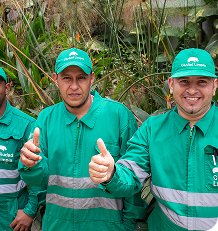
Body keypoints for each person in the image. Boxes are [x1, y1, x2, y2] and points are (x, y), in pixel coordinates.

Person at [18, 47, 147, 231]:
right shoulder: (46, 118)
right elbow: (40, 179)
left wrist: (127, 225)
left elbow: (133, 182)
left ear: (92, 78)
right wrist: (30, 164)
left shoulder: (119, 115)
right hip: (57, 225)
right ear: (55, 79)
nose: (74, 86)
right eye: (66, 78)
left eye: (81, 78)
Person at [89, 48, 218, 231]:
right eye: (184, 81)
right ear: (171, 85)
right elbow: (131, 175)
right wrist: (111, 174)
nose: (192, 89)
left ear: (214, 85)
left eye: (202, 82)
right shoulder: (153, 129)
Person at [0, 63, 46, 231]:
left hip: (12, 219)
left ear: (7, 88)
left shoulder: (26, 125)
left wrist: (30, 212)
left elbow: (39, 173)